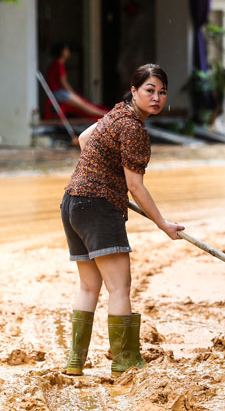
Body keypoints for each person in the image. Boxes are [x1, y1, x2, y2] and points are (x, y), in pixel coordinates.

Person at [59, 64, 184, 378]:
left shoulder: (116, 114)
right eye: (149, 90)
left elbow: (85, 138)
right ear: (134, 91)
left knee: (89, 286)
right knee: (119, 288)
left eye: (162, 92)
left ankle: (75, 363)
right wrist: (163, 223)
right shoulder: (134, 130)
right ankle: (125, 361)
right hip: (98, 208)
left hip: (73, 202)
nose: (156, 97)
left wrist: (101, 174)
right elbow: (135, 185)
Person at [46, 43, 108, 119]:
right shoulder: (59, 64)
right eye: (66, 50)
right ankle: (106, 114)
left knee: (84, 104)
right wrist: (73, 93)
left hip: (56, 92)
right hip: (58, 92)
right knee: (85, 106)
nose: (68, 52)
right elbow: (64, 83)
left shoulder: (56, 63)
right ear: (62, 52)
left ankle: (104, 114)